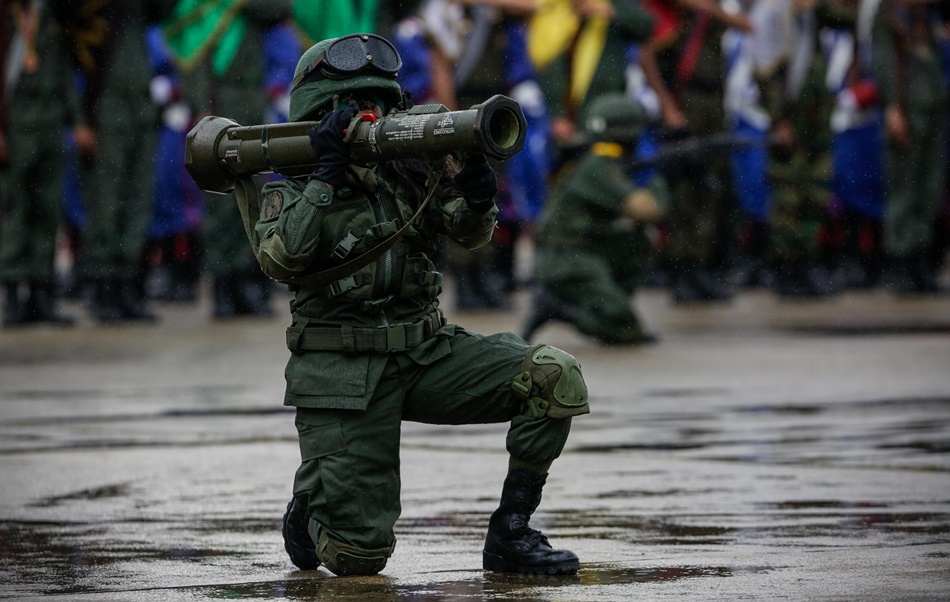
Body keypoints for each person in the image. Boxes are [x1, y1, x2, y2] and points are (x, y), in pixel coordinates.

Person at [230, 34, 588, 576]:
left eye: (378, 101)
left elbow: (470, 235)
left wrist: (476, 192)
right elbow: (282, 259)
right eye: (354, 105)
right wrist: (326, 177)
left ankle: (511, 534)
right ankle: (310, 504)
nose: (370, 114)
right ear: (322, 113)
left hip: (425, 351)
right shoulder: (292, 183)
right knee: (358, 559)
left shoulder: (409, 168)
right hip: (343, 373)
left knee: (551, 377)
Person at [524, 92, 669, 344]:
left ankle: (605, 302)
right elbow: (645, 210)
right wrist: (665, 180)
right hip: (564, 258)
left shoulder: (589, 158)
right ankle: (559, 309)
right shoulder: (596, 167)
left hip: (579, 251)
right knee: (624, 328)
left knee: (638, 238)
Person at [0, 0, 94, 327]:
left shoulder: (49, 14)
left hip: (49, 127)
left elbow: (64, 73)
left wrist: (77, 121)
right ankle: (11, 295)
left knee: (47, 211)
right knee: (14, 212)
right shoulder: (5, 18)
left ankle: (42, 295)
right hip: (14, 130)